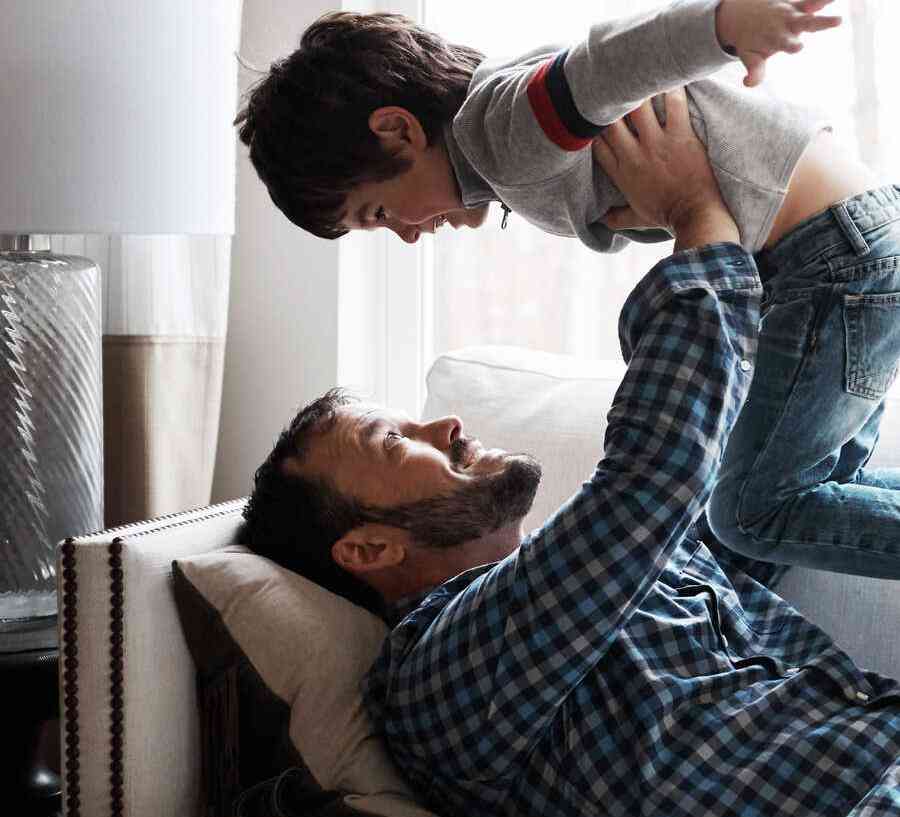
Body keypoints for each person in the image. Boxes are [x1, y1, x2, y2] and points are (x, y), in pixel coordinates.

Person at [242, 88, 900, 817]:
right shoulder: (440, 677)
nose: (446, 423)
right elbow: (654, 476)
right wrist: (695, 213)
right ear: (367, 548)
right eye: (395, 441)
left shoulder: (611, 572)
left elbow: (750, 476)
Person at [234, 0, 900, 580]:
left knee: (752, 512)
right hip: (841, 242)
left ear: (399, 132)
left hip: (826, 256)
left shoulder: (502, 131)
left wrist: (724, 24)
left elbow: (605, 62)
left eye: (377, 213)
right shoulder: (499, 132)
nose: (405, 235)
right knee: (780, 511)